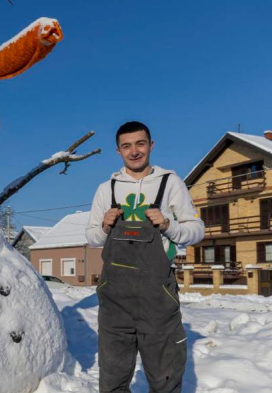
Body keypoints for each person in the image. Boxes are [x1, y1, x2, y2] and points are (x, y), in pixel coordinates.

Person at [85, 121, 204, 393]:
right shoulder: (107, 189)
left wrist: (168, 225)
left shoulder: (170, 183)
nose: (134, 151)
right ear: (118, 151)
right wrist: (104, 226)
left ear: (151, 145)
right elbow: (92, 239)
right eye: (127, 146)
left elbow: (197, 231)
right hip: (114, 297)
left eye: (140, 143)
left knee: (165, 374)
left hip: (157, 295)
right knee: (112, 375)